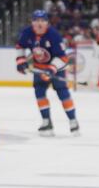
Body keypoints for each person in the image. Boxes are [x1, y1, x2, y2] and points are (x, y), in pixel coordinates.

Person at [15, 9, 79, 137]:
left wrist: (51, 69)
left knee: (63, 93)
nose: (39, 24)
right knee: (39, 93)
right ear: (32, 22)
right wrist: (20, 61)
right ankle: (46, 121)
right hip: (39, 69)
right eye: (36, 20)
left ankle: (73, 121)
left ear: (47, 23)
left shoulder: (54, 35)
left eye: (42, 21)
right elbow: (20, 46)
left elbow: (63, 58)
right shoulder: (27, 32)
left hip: (57, 69)